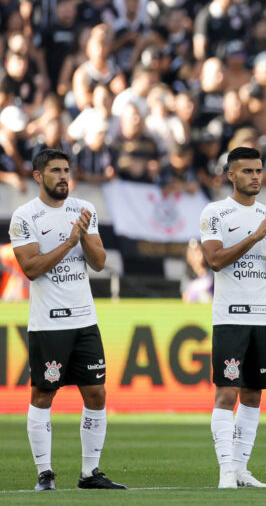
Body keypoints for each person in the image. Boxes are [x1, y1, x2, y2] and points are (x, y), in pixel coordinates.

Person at [10, 148, 126, 490]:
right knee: (43, 394)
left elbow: (100, 262)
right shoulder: (25, 216)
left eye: (66, 171)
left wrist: (84, 238)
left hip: (84, 320)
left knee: (96, 393)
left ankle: (90, 473)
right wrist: (71, 240)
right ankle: (44, 474)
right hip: (48, 323)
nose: (63, 177)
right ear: (38, 176)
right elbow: (31, 269)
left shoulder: (83, 209)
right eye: (56, 171)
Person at [199, 146, 266, 489]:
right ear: (231, 176)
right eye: (248, 171)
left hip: (264, 316)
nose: (255, 176)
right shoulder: (215, 214)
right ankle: (225, 471)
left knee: (254, 394)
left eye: (258, 171)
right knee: (227, 393)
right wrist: (255, 236)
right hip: (230, 317)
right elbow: (214, 260)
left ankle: (240, 469)